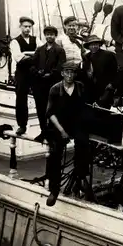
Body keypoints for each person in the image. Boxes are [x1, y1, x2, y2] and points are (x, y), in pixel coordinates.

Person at [45, 61, 90, 207]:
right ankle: (54, 190)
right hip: (59, 125)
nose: (70, 75)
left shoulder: (80, 87)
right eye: (67, 72)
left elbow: (85, 107)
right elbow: (50, 113)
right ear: (62, 73)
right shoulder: (55, 89)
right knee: (55, 155)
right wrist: (62, 131)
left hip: (76, 123)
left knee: (83, 144)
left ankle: (81, 178)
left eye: (72, 72)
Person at [31, 25, 66, 143]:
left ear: (55, 36)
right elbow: (33, 64)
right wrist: (37, 72)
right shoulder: (39, 50)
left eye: (52, 34)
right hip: (39, 85)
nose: (49, 36)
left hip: (52, 85)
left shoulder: (59, 50)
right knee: (40, 109)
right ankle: (43, 131)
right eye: (47, 34)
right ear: (44, 35)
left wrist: (50, 74)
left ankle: (51, 132)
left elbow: (61, 67)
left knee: (51, 109)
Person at [10, 16, 43, 135]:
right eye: (25, 26)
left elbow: (42, 53)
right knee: (21, 99)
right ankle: (22, 125)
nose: (27, 29)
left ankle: (44, 127)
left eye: (29, 27)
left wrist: (25, 53)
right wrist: (35, 56)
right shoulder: (15, 41)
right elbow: (19, 58)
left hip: (34, 73)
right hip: (22, 74)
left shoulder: (36, 39)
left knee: (40, 99)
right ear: (20, 27)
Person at [82, 34, 117, 108]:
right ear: (88, 46)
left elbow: (116, 71)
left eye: (96, 44)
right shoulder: (86, 57)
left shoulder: (109, 55)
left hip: (105, 88)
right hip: (91, 89)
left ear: (99, 44)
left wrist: (112, 84)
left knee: (103, 109)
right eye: (91, 45)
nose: (94, 46)